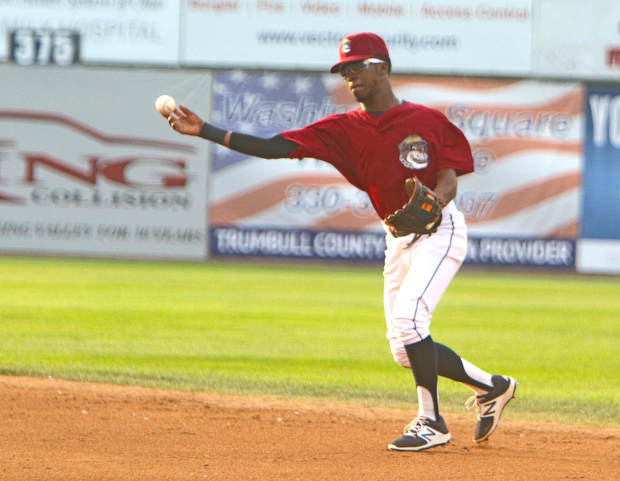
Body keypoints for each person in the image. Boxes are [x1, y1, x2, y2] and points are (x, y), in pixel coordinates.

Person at [164, 32, 517, 452]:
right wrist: (204, 129)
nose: (350, 76)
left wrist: (436, 201)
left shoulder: (427, 121)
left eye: (358, 66)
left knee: (409, 324)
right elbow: (273, 147)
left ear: (382, 68)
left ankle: (431, 421)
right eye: (344, 70)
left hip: (440, 231)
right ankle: (491, 386)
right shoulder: (341, 129)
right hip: (397, 237)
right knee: (405, 349)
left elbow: (448, 177)